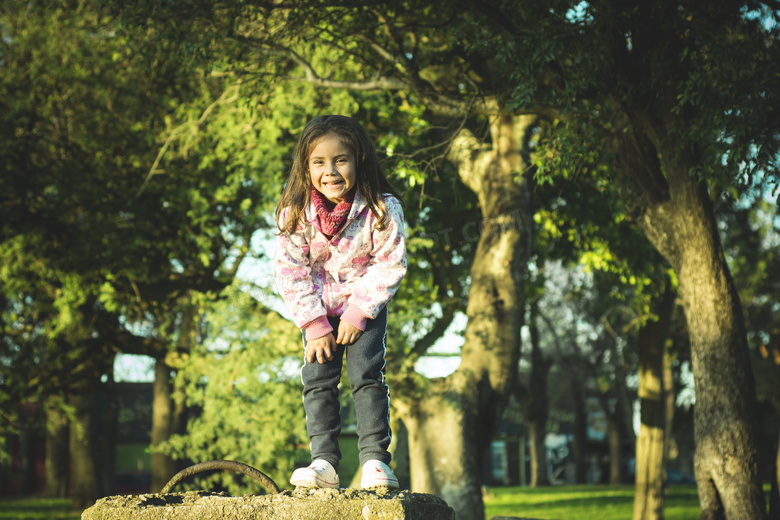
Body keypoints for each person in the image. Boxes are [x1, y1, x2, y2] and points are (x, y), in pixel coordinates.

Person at [274, 115, 407, 489]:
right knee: (318, 382)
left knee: (366, 378)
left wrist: (359, 311)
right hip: (317, 312)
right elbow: (289, 271)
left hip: (365, 308)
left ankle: (375, 462)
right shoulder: (296, 212)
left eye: (340, 160)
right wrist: (314, 325)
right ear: (305, 166)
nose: (330, 171)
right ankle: (325, 464)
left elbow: (390, 264)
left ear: (359, 159)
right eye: (319, 162)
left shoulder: (381, 209)